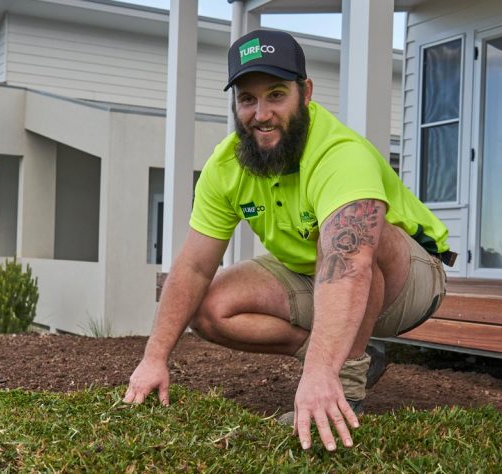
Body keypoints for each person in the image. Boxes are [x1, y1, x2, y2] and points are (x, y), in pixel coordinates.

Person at [122, 29, 455, 452]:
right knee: (208, 307)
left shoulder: (340, 153)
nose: (262, 114)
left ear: (305, 92)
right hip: (315, 271)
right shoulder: (225, 167)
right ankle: (347, 352)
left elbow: (350, 264)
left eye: (276, 95)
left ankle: (343, 379)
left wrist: (318, 373)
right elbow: (193, 267)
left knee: (357, 235)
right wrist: (154, 357)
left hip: (410, 280)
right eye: (248, 99)